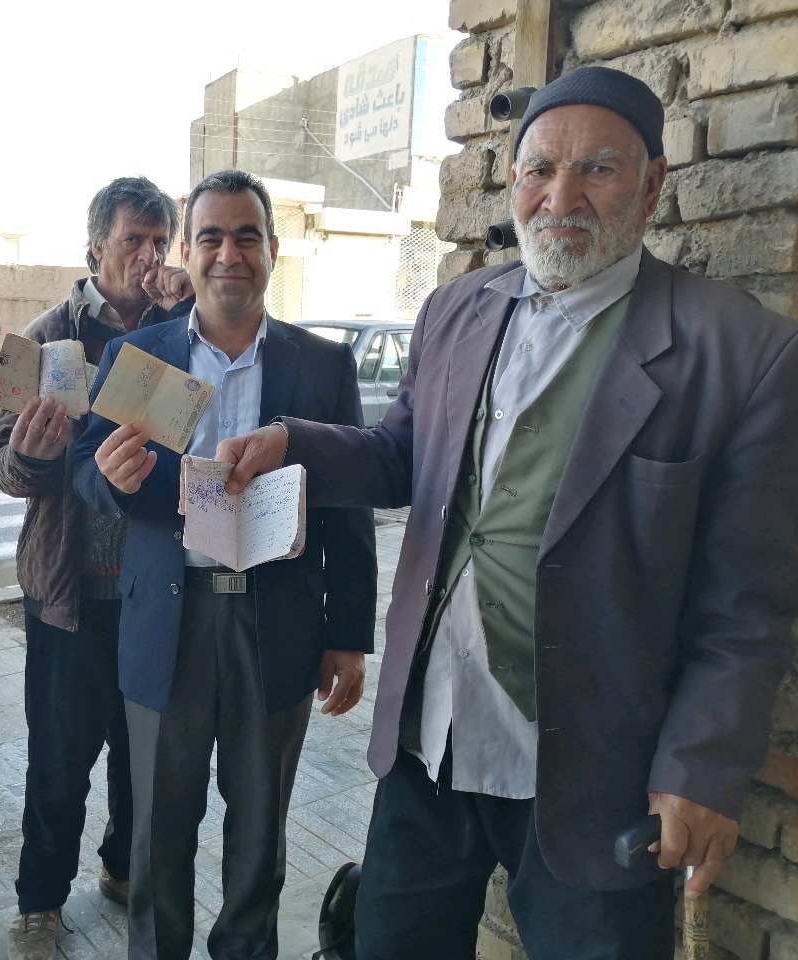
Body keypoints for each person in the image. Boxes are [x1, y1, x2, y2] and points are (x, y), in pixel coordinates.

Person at [216, 66, 798, 960]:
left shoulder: (739, 351)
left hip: (596, 766)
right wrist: (294, 443)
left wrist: (702, 765)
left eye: (597, 170)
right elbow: (404, 456)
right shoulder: (457, 308)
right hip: (431, 737)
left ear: (652, 185)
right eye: (539, 170)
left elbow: (748, 602)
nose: (560, 198)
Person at [73, 170, 377, 960]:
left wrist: (348, 633)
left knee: (260, 829)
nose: (228, 254)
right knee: (158, 828)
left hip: (277, 623)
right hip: (167, 620)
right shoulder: (143, 357)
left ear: (273, 249)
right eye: (210, 237)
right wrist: (105, 478)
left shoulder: (322, 365)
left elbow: (349, 505)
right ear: (187, 251)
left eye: (246, 236)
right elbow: (85, 471)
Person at [0, 175, 192, 960]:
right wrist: (32, 458)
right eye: (133, 240)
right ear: (96, 247)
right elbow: (2, 465)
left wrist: (182, 313)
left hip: (154, 588)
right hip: (68, 593)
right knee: (59, 760)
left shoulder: (181, 329)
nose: (149, 257)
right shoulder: (45, 339)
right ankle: (39, 904)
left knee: (143, 756)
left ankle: (121, 867)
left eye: (160, 242)